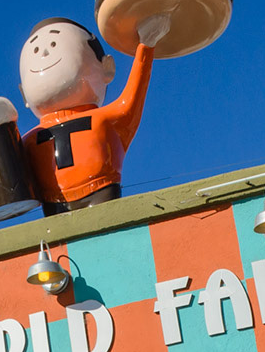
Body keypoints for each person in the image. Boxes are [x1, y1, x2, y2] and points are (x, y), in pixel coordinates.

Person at [17, 16, 166, 213]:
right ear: (23, 93)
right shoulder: (27, 143)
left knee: (105, 233)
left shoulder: (108, 118)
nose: (43, 52)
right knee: (62, 243)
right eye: (35, 50)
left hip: (101, 190)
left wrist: (146, 46)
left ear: (107, 68)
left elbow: (134, 95)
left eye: (53, 44)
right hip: (53, 203)